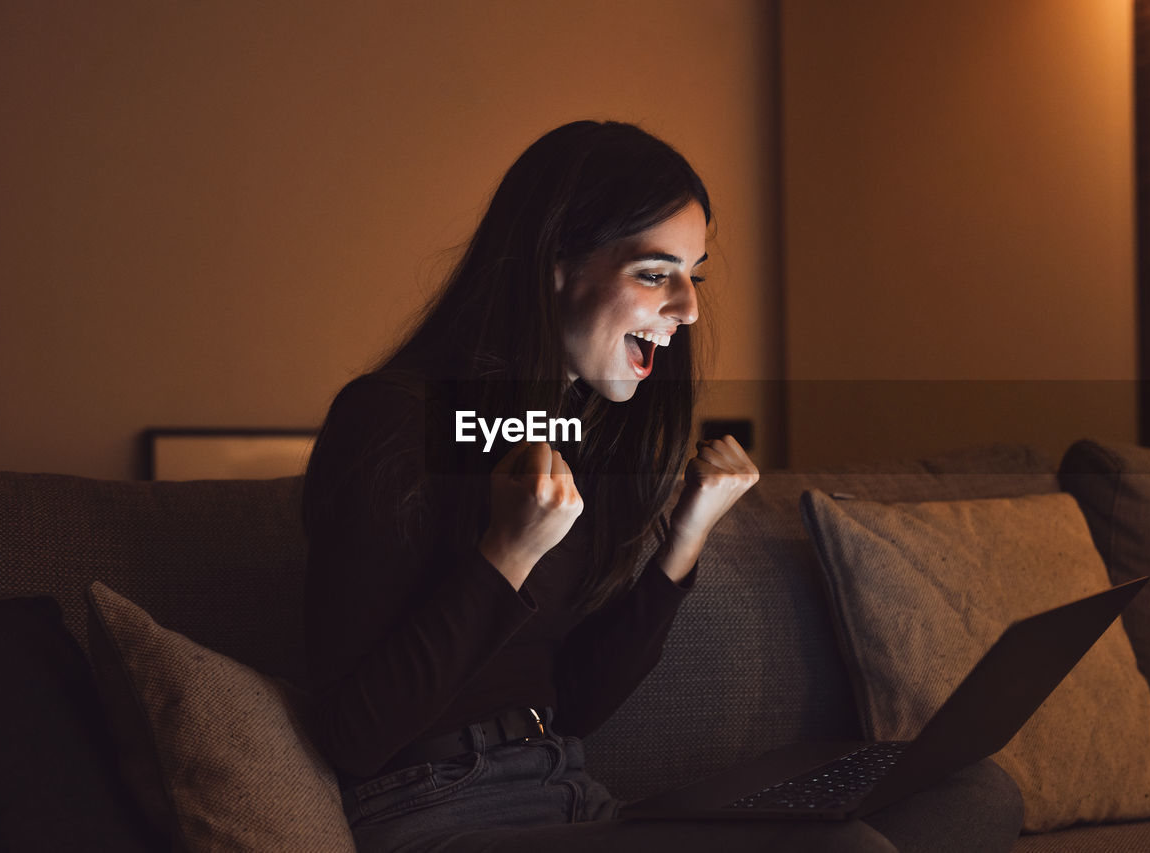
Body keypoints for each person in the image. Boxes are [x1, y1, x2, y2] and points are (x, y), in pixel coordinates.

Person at [302, 120, 1023, 853]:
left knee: (969, 791)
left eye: (694, 274)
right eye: (655, 273)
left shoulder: (572, 432)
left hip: (569, 793)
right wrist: (505, 557)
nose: (689, 308)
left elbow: (574, 706)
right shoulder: (393, 420)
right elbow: (352, 736)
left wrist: (684, 541)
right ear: (554, 263)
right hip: (436, 815)